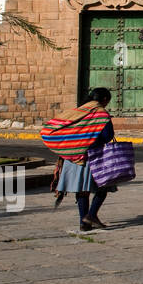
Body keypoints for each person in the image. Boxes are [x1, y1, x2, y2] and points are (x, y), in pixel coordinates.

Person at [49, 87, 116, 231]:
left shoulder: (76, 112)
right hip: (93, 157)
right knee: (104, 187)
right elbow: (107, 135)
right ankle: (91, 215)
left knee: (81, 190)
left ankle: (83, 222)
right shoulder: (100, 113)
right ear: (104, 100)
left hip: (72, 155)